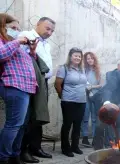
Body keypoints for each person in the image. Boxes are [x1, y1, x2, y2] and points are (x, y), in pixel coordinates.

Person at [0, 13, 38, 164]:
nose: (17, 30)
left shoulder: (15, 45)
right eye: (13, 27)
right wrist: (17, 41)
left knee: (21, 125)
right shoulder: (5, 42)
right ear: (3, 27)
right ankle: (3, 157)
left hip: (26, 88)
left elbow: (28, 63)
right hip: (13, 85)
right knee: (13, 125)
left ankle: (15, 155)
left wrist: (33, 52)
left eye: (18, 28)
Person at [19, 16, 55, 161]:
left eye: (52, 30)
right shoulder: (26, 36)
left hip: (43, 83)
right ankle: (23, 150)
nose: (50, 32)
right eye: (47, 28)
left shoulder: (47, 44)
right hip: (30, 82)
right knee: (28, 117)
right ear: (38, 24)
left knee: (38, 117)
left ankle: (36, 147)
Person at [54, 48, 87, 157]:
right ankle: (65, 148)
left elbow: (84, 84)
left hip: (82, 102)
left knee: (77, 125)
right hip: (68, 101)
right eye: (75, 56)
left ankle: (75, 146)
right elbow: (57, 84)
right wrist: (62, 96)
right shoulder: (64, 68)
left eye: (79, 56)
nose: (77, 58)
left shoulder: (82, 69)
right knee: (67, 125)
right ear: (70, 57)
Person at [81, 52, 103, 146]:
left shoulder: (98, 71)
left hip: (95, 97)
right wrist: (86, 88)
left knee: (94, 118)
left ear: (94, 59)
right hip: (85, 96)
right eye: (87, 58)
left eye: (91, 58)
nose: (90, 60)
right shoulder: (83, 70)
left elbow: (101, 85)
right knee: (85, 117)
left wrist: (92, 87)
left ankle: (95, 138)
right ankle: (85, 138)